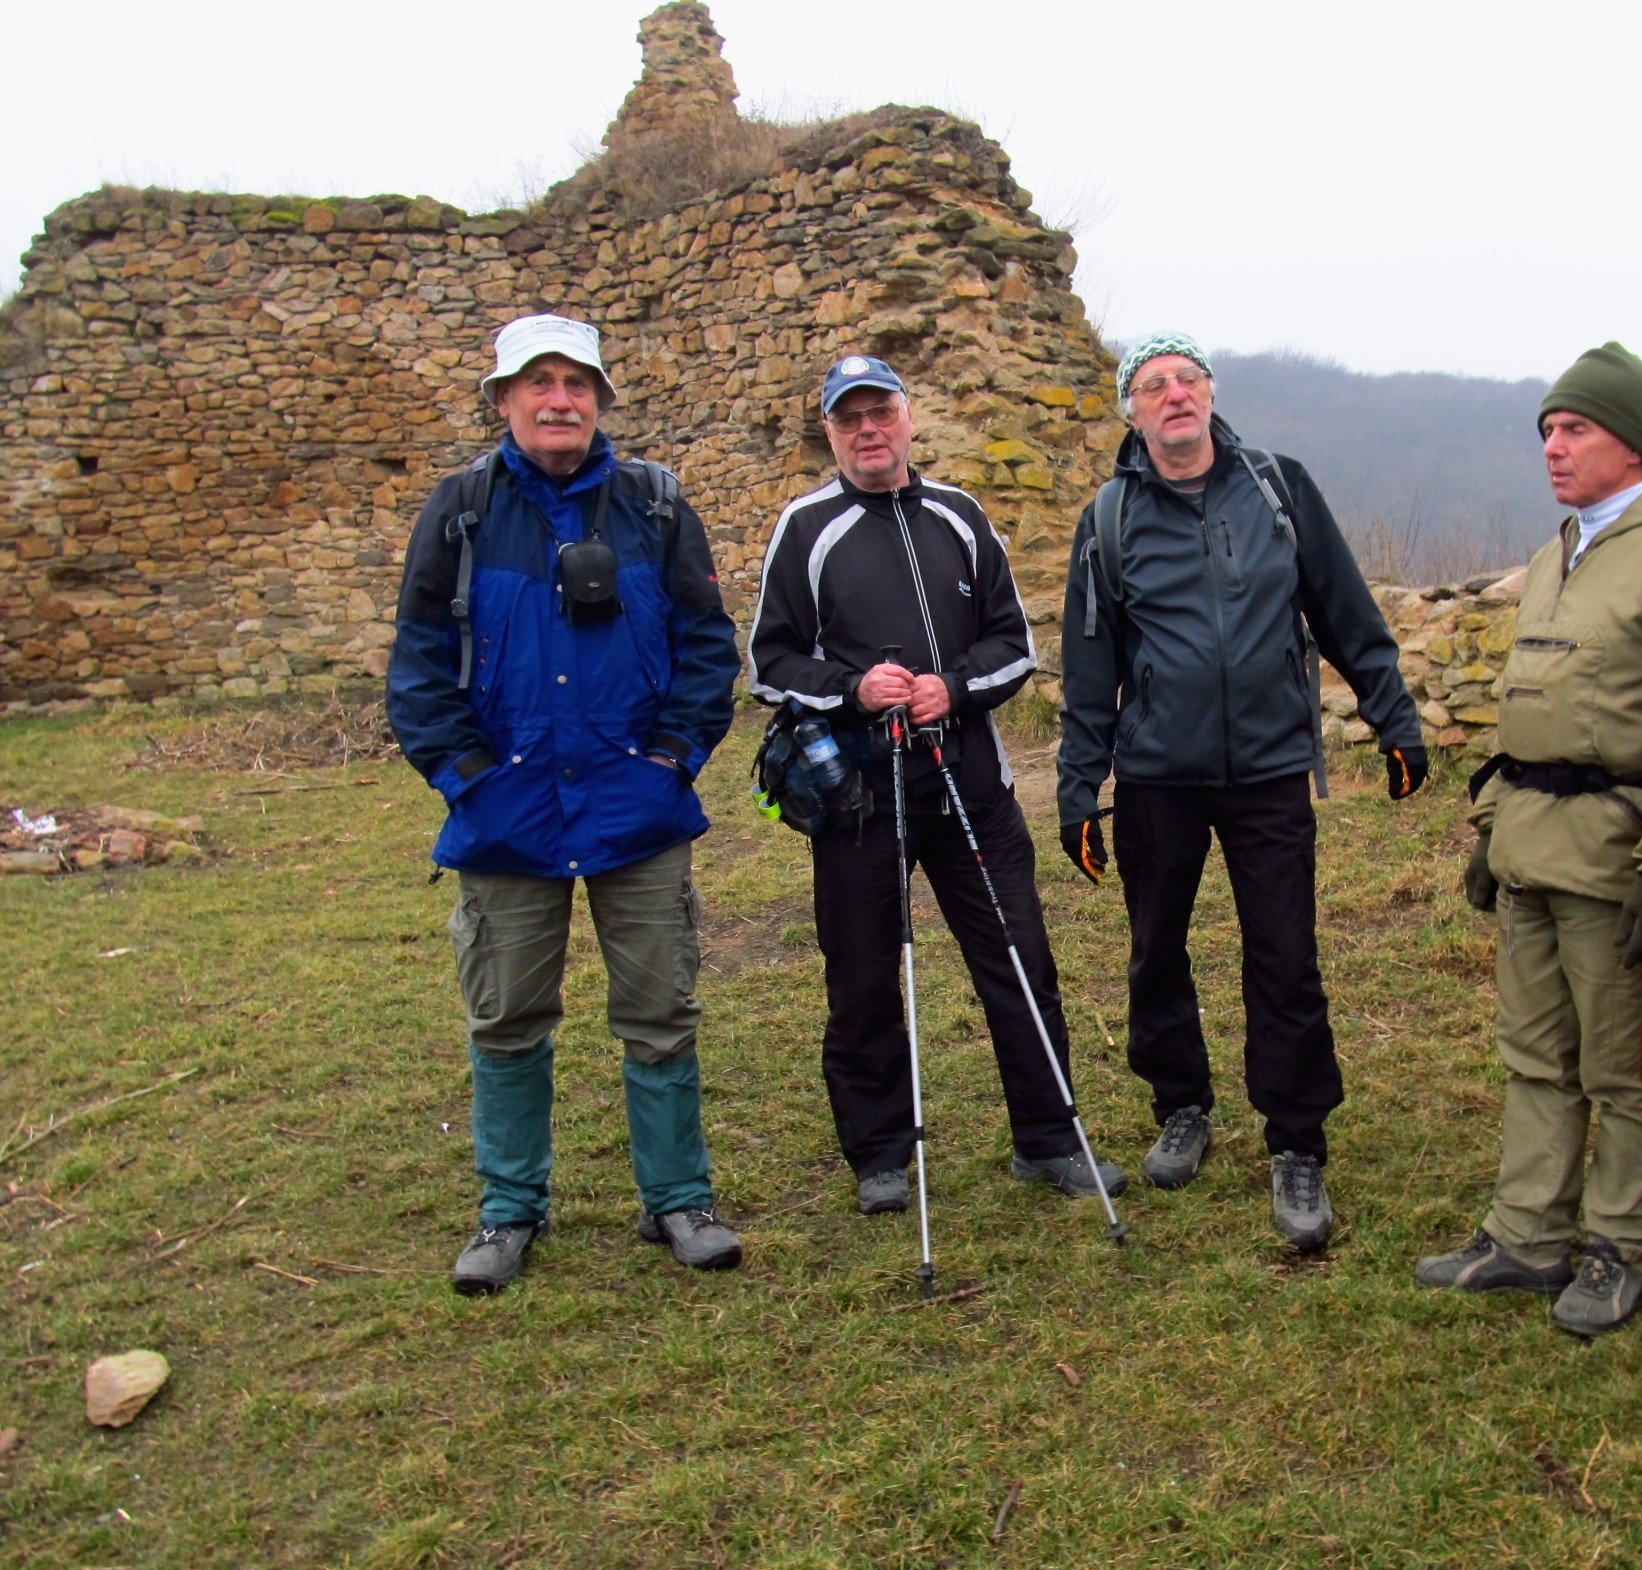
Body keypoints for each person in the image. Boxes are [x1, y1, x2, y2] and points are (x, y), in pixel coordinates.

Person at [388, 313, 743, 1294]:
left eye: (577, 383)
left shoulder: (656, 508)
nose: (559, 400)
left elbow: (710, 646)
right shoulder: (459, 513)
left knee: (661, 1011)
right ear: (503, 401)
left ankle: (678, 1197)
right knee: (505, 1019)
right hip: (507, 818)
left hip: (636, 811)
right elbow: (418, 664)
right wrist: (469, 780)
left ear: (600, 400)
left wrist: (671, 760)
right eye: (537, 382)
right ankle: (509, 1211)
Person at [1056, 330, 1429, 1253]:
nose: (1174, 394)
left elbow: (1347, 612)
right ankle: (1180, 1104)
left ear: (1210, 393)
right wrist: (1076, 787)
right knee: (1156, 951)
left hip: (1266, 769)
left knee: (1284, 958)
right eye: (1153, 385)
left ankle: (1296, 1142)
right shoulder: (1106, 519)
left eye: (1187, 379)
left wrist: (1396, 719)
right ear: (1131, 410)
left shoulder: (1278, 488)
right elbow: (1088, 666)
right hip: (1155, 776)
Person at [1412, 342, 1642, 1336]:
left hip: (1615, 852)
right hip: (1531, 846)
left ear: (1630, 440)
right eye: (1547, 429)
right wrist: (1489, 826)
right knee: (1535, 1052)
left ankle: (1617, 1244)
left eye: (1576, 428)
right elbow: (1532, 708)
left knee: (1618, 1065)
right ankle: (1527, 1233)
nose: (1553, 446)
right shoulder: (1561, 549)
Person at [747, 355, 1123, 1212]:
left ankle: (1050, 1139)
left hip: (970, 784)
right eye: (849, 420)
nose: (868, 430)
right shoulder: (806, 527)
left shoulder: (959, 515)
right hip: (857, 796)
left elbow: (1013, 644)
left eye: (880, 412)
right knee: (863, 971)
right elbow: (768, 662)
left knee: (1018, 960)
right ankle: (879, 1155)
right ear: (832, 433)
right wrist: (851, 688)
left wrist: (951, 686)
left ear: (909, 419)